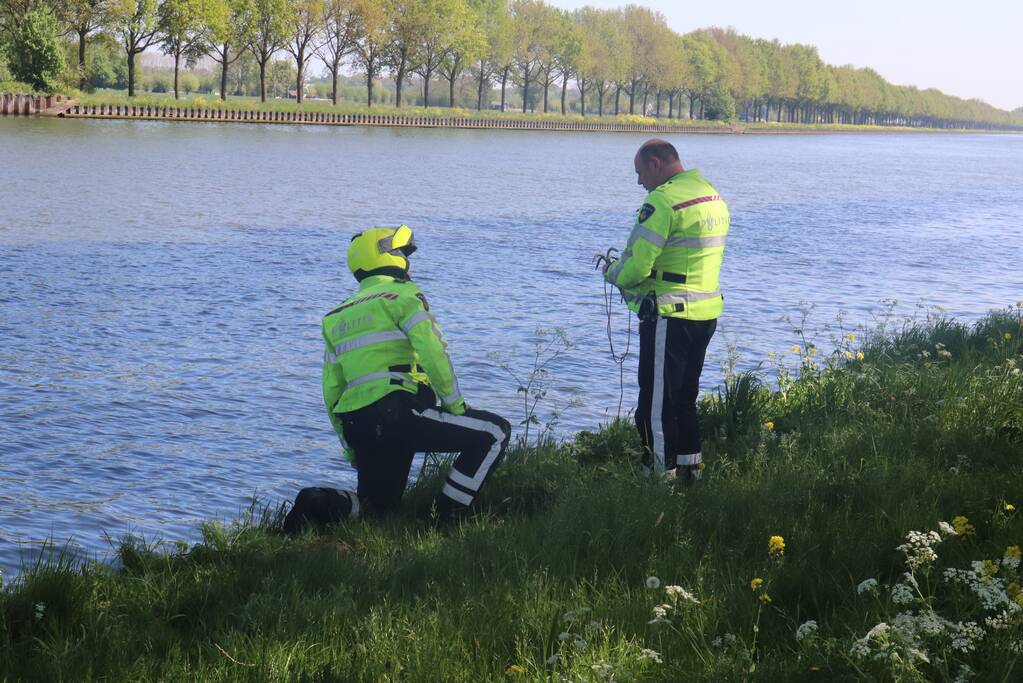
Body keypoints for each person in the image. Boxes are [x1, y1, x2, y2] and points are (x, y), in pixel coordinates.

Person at [285, 225, 511, 531]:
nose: (408, 261)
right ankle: (448, 519)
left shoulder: (335, 316)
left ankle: (317, 501)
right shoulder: (403, 295)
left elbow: (331, 389)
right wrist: (455, 405)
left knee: (376, 510)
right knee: (495, 432)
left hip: (357, 424)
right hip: (398, 413)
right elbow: (433, 353)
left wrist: (348, 445)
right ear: (387, 255)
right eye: (403, 253)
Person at [602, 139, 729, 481]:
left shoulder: (662, 201)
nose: (639, 182)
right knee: (685, 399)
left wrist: (611, 272)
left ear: (655, 164)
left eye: (640, 172)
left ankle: (659, 484)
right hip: (705, 314)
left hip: (669, 316)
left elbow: (636, 268)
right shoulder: (711, 196)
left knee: (655, 408)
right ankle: (691, 473)